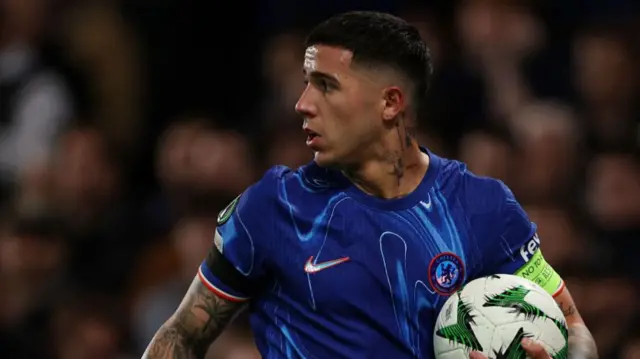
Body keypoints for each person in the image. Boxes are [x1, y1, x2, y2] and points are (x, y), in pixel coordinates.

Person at [142, 11, 597, 359]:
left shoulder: (483, 206)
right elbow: (183, 331)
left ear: (389, 103)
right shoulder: (270, 208)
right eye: (305, 85)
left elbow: (573, 326)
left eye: (326, 86)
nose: (302, 104)